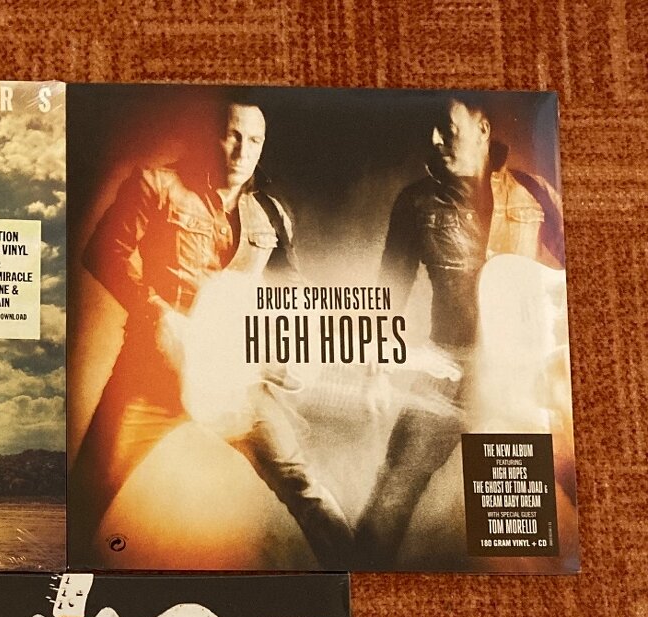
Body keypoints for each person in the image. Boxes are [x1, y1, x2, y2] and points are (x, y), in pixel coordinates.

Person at [69, 93, 354, 567]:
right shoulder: (157, 184)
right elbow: (103, 251)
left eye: (255, 141)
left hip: (231, 377)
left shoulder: (271, 213)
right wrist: (156, 311)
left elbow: (292, 296)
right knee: (83, 498)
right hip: (150, 373)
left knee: (304, 487)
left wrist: (294, 350)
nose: (243, 151)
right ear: (212, 137)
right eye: (233, 136)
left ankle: (364, 578)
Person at [354, 94, 566, 565]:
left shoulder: (532, 193)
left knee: (516, 534)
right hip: (447, 368)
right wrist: (376, 371)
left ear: (482, 128)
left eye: (446, 128)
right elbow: (386, 294)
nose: (434, 139)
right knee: (390, 499)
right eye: (431, 129)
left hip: (515, 375)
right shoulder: (416, 202)